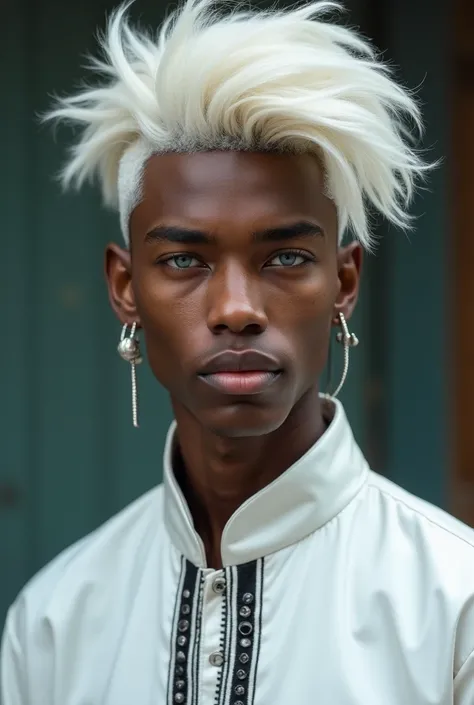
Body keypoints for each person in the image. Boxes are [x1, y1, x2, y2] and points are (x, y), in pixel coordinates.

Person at [1, 0, 473, 703]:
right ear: (125, 286)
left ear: (344, 281)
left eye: (284, 255)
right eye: (185, 261)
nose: (237, 309)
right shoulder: (56, 620)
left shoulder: (453, 604)